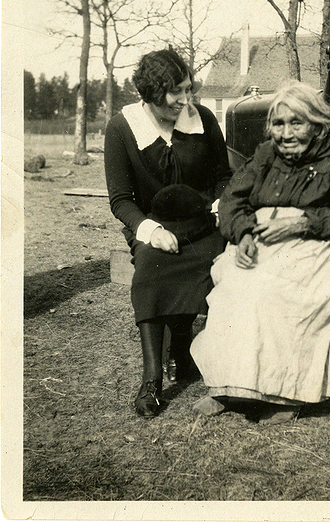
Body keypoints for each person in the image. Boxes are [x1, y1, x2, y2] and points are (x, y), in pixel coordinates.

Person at [190, 81, 330, 424]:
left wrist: (301, 223)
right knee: (231, 290)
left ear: (316, 124)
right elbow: (232, 199)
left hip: (317, 241)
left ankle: (287, 394)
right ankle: (227, 388)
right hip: (263, 239)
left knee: (275, 294)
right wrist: (243, 235)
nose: (285, 133)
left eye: (295, 123)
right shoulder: (267, 153)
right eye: (278, 124)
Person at [104, 46, 231, 418]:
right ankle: (152, 378)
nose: (185, 99)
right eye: (175, 92)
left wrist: (221, 204)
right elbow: (120, 199)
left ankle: (183, 346)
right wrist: (149, 229)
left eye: (188, 89)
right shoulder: (122, 128)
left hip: (203, 224)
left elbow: (224, 177)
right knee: (151, 270)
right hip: (152, 226)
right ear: (151, 93)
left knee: (215, 264)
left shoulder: (203, 118)